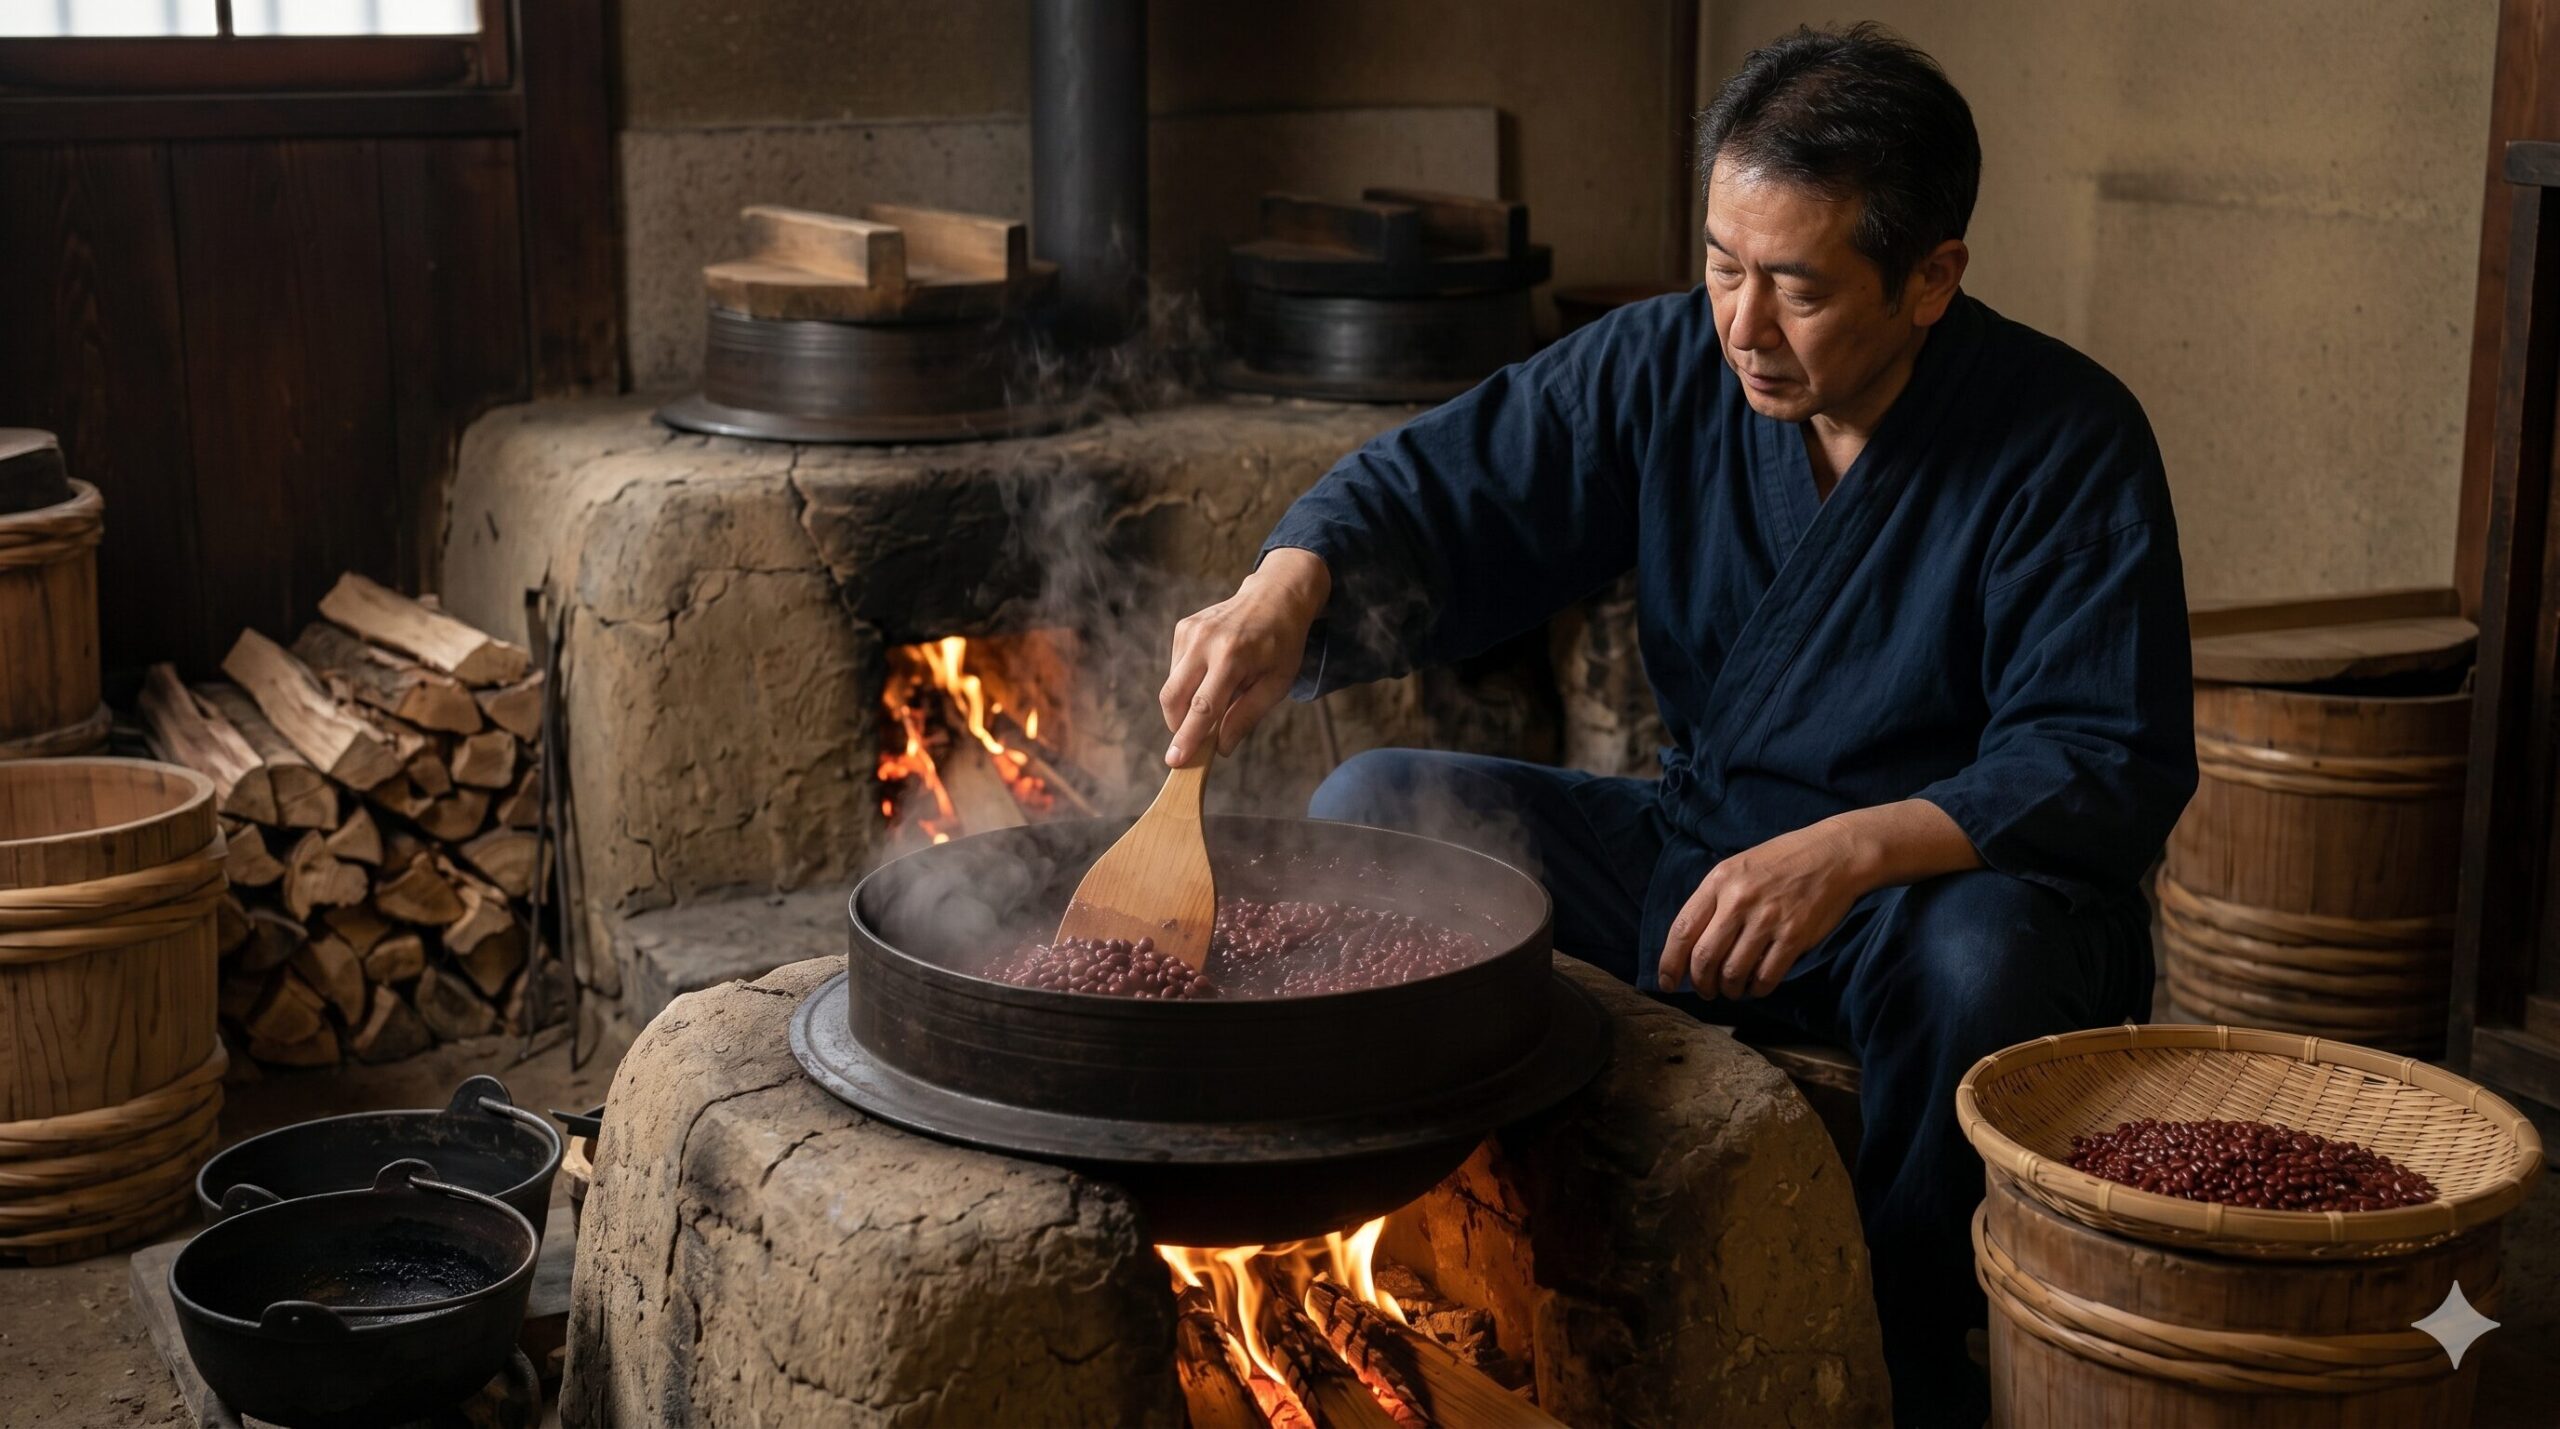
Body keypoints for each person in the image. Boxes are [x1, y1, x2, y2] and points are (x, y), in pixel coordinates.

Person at [1156, 22, 2196, 1427]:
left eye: (1796, 288)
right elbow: (1452, 484)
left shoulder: (2066, 441)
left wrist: (1849, 854)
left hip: (1934, 896)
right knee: (1375, 812)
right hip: (1700, 858)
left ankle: (1905, 1335)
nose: (1742, 327)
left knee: (1988, 956)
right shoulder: (1667, 366)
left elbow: (2099, 751)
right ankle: (1445, 1235)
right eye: (1720, 266)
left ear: (1932, 276)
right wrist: (1285, 590)